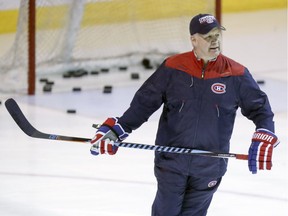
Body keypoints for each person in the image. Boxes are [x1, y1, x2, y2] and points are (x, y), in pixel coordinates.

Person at [90, 14, 280, 216]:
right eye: (208, 36)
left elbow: (261, 109)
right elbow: (144, 103)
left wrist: (265, 132)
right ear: (194, 40)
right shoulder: (173, 67)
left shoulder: (236, 74)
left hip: (209, 166)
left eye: (217, 35)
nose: (214, 41)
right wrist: (118, 129)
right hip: (171, 162)